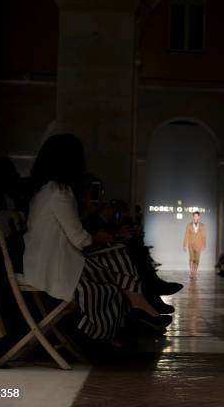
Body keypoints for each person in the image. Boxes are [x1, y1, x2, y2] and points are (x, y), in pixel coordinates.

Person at [23, 134, 167, 343]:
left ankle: (141, 309)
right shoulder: (60, 193)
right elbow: (79, 239)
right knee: (115, 257)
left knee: (115, 261)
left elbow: (67, 231)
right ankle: (138, 310)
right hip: (54, 265)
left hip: (44, 261)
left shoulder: (45, 191)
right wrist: (97, 238)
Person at [183, 211, 206, 279]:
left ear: (199, 217)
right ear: (193, 216)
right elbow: (186, 235)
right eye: (194, 216)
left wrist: (204, 245)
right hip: (191, 244)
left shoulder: (202, 225)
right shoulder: (189, 225)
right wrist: (184, 245)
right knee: (191, 259)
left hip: (199, 244)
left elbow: (204, 236)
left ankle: (195, 272)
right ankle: (191, 272)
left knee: (197, 260)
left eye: (197, 216)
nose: (195, 217)